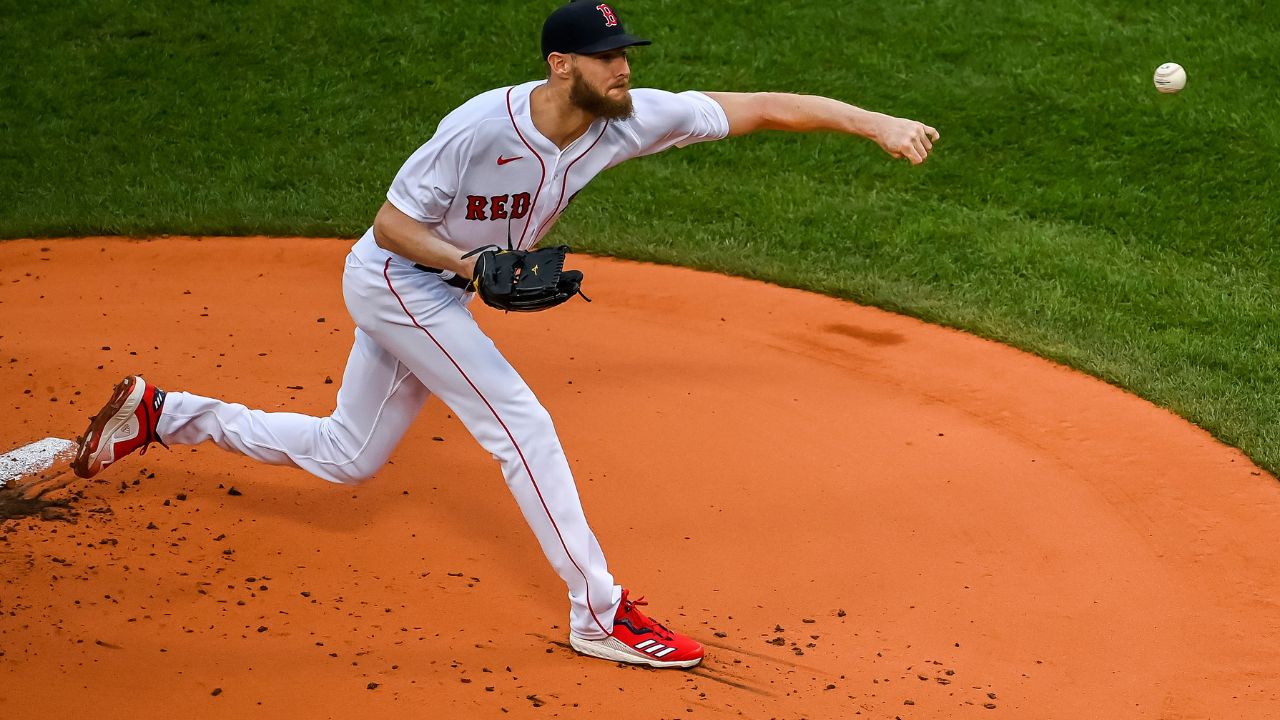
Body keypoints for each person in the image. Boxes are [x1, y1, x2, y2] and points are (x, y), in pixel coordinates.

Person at [72, 0, 938, 669]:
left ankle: (163, 413)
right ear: (562, 64)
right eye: (609, 56)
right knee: (522, 425)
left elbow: (756, 108)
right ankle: (599, 614)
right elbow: (387, 227)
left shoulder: (628, 119)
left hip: (438, 289)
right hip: (397, 281)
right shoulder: (479, 127)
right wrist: (472, 264)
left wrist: (875, 123)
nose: (625, 67)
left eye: (628, 53)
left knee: (348, 454)